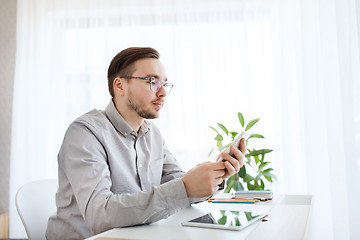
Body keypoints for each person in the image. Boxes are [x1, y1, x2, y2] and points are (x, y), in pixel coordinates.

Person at [46, 47, 246, 239]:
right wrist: (184, 188)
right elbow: (101, 215)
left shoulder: (152, 134)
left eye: (164, 84)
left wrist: (215, 173)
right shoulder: (85, 133)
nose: (163, 93)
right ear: (120, 86)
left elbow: (180, 185)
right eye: (152, 81)